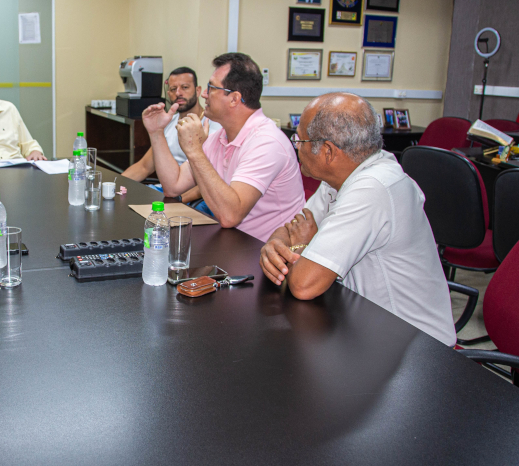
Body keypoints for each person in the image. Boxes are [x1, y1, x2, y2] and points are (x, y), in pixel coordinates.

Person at [259, 92, 456, 346]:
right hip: (365, 324)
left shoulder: (373, 188)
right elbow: (296, 226)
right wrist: (275, 242)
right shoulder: (348, 172)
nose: (296, 145)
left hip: (417, 348)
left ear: (328, 152)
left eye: (300, 139)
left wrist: (300, 247)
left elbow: (303, 285)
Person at [143, 53, 305, 242]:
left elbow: (230, 216)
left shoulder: (266, 142)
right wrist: (156, 132)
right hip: (234, 243)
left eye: (211, 88)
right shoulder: (220, 137)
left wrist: (195, 150)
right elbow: (173, 186)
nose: (204, 94)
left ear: (234, 99)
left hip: (264, 254)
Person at [121, 67, 221, 204]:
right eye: (173, 89)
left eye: (185, 87)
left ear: (198, 91)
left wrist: (178, 200)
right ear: (168, 93)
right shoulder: (168, 123)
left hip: (193, 198)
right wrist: (112, 185)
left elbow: (211, 181)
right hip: (166, 192)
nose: (178, 93)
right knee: (122, 203)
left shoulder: (212, 127)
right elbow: (144, 166)